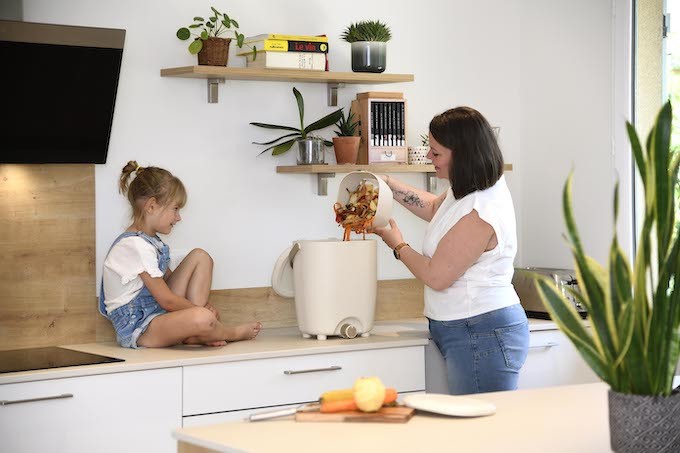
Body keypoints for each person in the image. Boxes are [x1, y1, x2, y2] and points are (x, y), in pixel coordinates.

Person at [372, 107, 529, 395]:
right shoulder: (469, 188)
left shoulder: (482, 210)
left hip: (481, 331)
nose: (430, 157)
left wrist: (397, 244)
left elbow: (437, 276)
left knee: (479, 430)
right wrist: (387, 185)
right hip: (466, 328)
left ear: (462, 154)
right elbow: (434, 208)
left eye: (436, 152)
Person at [99, 161, 261, 349]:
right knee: (203, 317)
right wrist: (200, 311)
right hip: (141, 328)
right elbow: (167, 299)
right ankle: (228, 332)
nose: (178, 217)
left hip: (158, 315)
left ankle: (195, 331)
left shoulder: (151, 242)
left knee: (200, 256)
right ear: (151, 206)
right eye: (175, 209)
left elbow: (167, 281)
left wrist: (201, 306)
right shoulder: (134, 246)